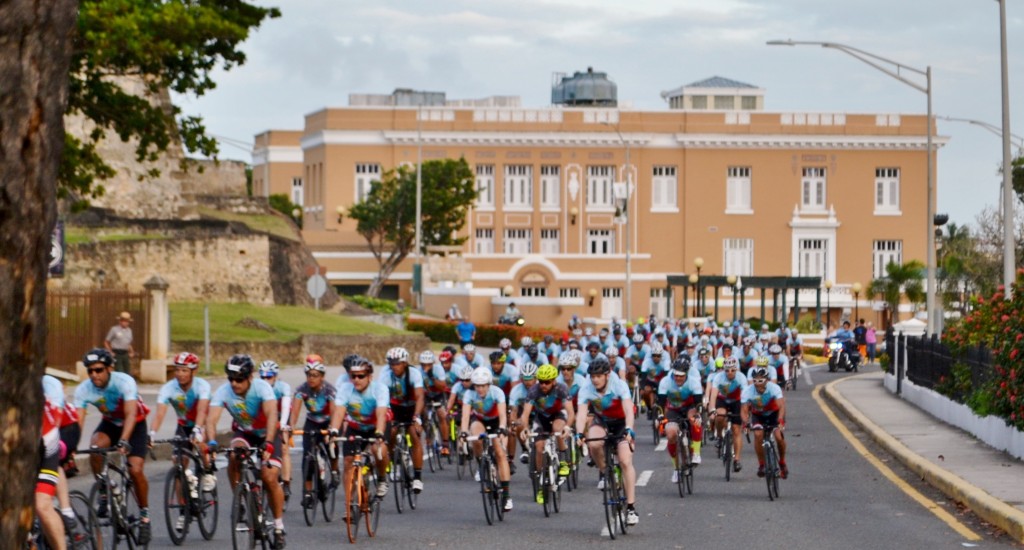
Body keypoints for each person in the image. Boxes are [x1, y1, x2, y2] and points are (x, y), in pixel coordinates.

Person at [206, 354, 286, 549]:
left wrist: (268, 443)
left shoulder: (262, 387)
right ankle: (240, 498)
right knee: (234, 455)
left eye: (239, 379)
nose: (234, 383)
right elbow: (211, 419)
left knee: (269, 477)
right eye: (230, 379)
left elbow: (271, 415)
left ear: (250, 377)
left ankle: (278, 525)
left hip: (268, 432)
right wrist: (212, 442)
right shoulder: (224, 391)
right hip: (245, 433)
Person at [75, 348, 152, 543]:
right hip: (110, 424)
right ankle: (104, 491)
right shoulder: (84, 389)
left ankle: (144, 515)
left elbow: (131, 415)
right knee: (95, 448)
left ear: (109, 368)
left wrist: (124, 440)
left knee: (135, 470)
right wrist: (70, 447)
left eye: (99, 370)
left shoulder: (124, 382)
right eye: (90, 371)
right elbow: (78, 422)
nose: (94, 375)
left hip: (134, 425)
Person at [575, 358, 639, 526]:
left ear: (607, 375)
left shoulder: (619, 385)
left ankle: (631, 507)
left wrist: (629, 429)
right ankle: (607, 472)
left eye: (598, 376)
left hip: (621, 423)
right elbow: (581, 414)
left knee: (625, 461)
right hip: (601, 421)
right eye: (592, 376)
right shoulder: (586, 388)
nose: (594, 379)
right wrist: (579, 433)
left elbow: (628, 409)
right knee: (593, 443)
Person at [151, 352, 215, 505]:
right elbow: (160, 414)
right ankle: (183, 507)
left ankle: (207, 471)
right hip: (183, 425)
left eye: (184, 370)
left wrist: (197, 429)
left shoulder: (202, 386)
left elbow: (201, 410)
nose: (180, 374)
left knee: (199, 442)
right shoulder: (169, 388)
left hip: (202, 422)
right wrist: (151, 433)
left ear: (194, 371)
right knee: (178, 463)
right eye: (177, 370)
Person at [329, 356, 391, 499]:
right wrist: (333, 430)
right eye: (353, 376)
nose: (356, 379)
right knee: (348, 461)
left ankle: (382, 478)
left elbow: (381, 414)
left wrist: (380, 433)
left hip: (377, 425)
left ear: (369, 377)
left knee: (378, 449)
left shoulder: (380, 389)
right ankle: (350, 503)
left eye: (360, 376)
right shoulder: (346, 388)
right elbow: (339, 412)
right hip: (356, 426)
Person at [460, 367, 514, 512]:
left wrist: (503, 427)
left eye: (483, 386)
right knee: (476, 437)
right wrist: (464, 432)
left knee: (500, 453)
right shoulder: (469, 394)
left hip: (496, 422)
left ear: (488, 384)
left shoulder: (497, 392)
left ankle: (507, 495)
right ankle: (481, 464)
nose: (480, 389)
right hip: (480, 421)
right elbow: (465, 416)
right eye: (477, 385)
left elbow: (503, 415)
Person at [519, 364, 575, 504]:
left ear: (554, 381)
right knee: (539, 447)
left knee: (557, 429)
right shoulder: (533, 390)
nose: (543, 385)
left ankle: (563, 460)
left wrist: (567, 427)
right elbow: (525, 414)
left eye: (547, 382)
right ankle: (541, 482)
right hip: (541, 418)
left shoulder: (561, 388)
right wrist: (525, 428)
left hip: (558, 415)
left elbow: (571, 412)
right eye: (541, 381)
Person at [287, 354, 338, 504]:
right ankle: (308, 492)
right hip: (312, 422)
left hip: (328, 421)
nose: (311, 378)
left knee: (332, 448)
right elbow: (295, 411)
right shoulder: (301, 390)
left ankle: (334, 471)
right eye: (309, 375)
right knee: (307, 458)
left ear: (322, 377)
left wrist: (332, 429)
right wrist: (291, 427)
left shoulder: (329, 390)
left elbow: (335, 412)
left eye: (315, 375)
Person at [380, 347, 426, 493]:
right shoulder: (385, 375)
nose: (395, 367)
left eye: (398, 363)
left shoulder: (414, 373)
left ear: (405, 363)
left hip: (412, 407)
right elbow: (382, 398)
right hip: (395, 407)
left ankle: (417, 478)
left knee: (414, 435)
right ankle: (394, 462)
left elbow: (420, 397)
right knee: (391, 433)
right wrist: (386, 417)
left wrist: (416, 417)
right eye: (392, 364)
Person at [657, 357, 704, 481]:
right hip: (673, 410)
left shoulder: (694, 382)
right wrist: (661, 416)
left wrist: (698, 414)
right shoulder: (665, 381)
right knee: (671, 434)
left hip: (689, 407)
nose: (678, 378)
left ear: (687, 374)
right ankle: (676, 469)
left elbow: (699, 403)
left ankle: (696, 453)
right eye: (676, 375)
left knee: (694, 420)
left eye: (681, 376)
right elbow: (660, 403)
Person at [741, 367, 789, 479]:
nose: (757, 384)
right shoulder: (747, 391)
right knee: (758, 435)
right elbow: (743, 410)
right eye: (755, 381)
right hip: (758, 415)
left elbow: (781, 406)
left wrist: (781, 421)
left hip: (774, 414)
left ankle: (782, 462)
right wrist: (745, 423)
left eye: (760, 381)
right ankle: (762, 464)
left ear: (767, 380)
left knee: (778, 436)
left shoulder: (774, 388)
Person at [706, 356, 747, 473]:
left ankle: (737, 460)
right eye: (727, 370)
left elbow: (745, 399)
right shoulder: (718, 377)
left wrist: (745, 414)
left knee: (736, 429)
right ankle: (719, 436)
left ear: (736, 369)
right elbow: (713, 396)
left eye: (732, 370)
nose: (730, 372)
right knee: (719, 416)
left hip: (736, 401)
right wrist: (712, 410)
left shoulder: (741, 378)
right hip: (722, 400)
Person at [259, 360, 293, 501]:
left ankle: (286, 482)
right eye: (263, 377)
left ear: (275, 377)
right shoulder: (258, 387)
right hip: (266, 418)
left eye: (269, 377)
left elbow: (285, 407)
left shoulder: (283, 387)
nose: (266, 380)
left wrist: (284, 424)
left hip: (281, 417)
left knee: (284, 449)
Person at [417, 350, 450, 455]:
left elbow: (443, 386)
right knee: (422, 412)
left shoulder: (439, 369)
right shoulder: (418, 371)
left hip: (438, 394)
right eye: (424, 365)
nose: (426, 367)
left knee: (441, 414)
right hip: (426, 394)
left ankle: (445, 444)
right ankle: (428, 435)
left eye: (428, 364)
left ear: (432, 364)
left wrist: (431, 377)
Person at [104, 311, 135, 375]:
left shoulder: (129, 331)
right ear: (120, 321)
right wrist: (110, 352)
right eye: (124, 321)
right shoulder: (114, 329)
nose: (126, 323)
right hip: (117, 353)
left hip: (125, 353)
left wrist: (131, 351)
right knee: (120, 371)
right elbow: (106, 342)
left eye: (127, 321)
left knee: (127, 372)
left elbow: (128, 343)